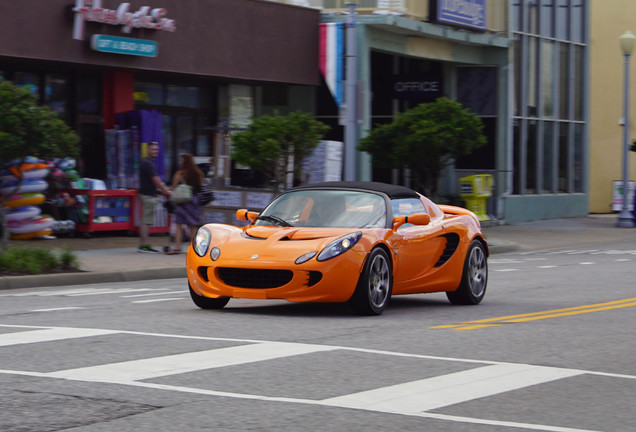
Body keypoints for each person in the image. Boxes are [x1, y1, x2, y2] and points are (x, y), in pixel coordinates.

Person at [167, 153, 204, 254]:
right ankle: (193, 249)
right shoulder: (198, 173)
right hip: (194, 201)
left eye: (181, 160)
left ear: (184, 161)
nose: (180, 162)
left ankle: (177, 247)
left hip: (182, 202)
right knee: (193, 226)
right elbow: (200, 186)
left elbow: (173, 187)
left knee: (179, 225)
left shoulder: (180, 173)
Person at [138, 142, 171, 253]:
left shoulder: (147, 162)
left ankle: (145, 245)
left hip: (148, 193)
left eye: (156, 150)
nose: (155, 151)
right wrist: (166, 191)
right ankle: (143, 246)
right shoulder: (148, 163)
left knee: (147, 220)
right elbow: (156, 180)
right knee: (146, 220)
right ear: (147, 150)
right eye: (153, 149)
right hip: (148, 195)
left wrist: (161, 189)